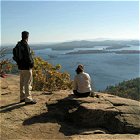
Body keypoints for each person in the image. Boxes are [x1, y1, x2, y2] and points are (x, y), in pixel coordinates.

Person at [14, 31, 36, 104]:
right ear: (27, 36)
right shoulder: (25, 45)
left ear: (21, 36)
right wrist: (31, 64)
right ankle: (28, 99)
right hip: (27, 67)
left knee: (22, 82)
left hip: (21, 67)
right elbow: (28, 57)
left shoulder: (18, 44)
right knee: (28, 83)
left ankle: (22, 97)